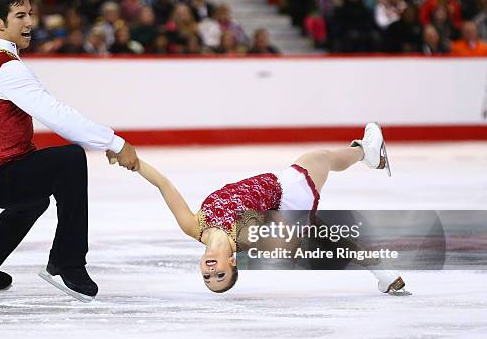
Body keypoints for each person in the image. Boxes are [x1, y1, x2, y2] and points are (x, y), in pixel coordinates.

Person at [0, 0, 139, 301]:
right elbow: (57, 115)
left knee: (34, 201)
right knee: (71, 160)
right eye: (20, 16)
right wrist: (113, 142)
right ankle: (67, 261)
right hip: (2, 175)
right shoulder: (9, 70)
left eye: (30, 13)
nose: (29, 22)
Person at [111, 123, 408, 295]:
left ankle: (380, 269)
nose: (211, 273)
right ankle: (367, 152)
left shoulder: (193, 226)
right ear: (233, 264)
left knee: (320, 174)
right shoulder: (244, 236)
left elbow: (163, 185)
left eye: (207, 277)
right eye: (220, 276)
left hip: (281, 192)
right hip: (288, 194)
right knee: (319, 158)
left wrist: (134, 163)